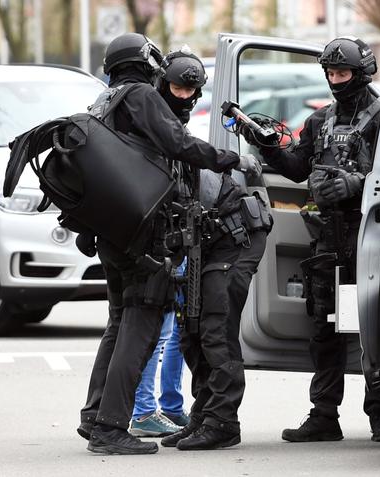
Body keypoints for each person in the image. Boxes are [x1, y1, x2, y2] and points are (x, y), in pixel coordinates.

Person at [77, 33, 259, 455]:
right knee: (140, 322)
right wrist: (231, 158)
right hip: (140, 235)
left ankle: (93, 417)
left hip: (112, 233)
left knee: (119, 322)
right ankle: (109, 428)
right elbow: (177, 143)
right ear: (145, 62)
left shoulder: (105, 102)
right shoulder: (139, 95)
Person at [240, 36, 380, 443]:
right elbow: (295, 167)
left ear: (361, 74)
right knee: (325, 327)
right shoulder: (320, 121)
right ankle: (324, 414)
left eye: (342, 73)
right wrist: (265, 143)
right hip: (327, 237)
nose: (335, 80)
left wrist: (357, 186)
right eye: (330, 73)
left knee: (376, 323)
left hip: (373, 236)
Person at [154, 47, 271, 451]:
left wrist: (234, 159)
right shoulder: (156, 128)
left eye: (191, 89)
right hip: (204, 242)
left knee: (216, 330)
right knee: (191, 333)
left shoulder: (176, 135)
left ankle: (223, 422)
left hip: (234, 236)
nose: (184, 96)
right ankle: (203, 414)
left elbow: (198, 162)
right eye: (177, 87)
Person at [129, 261, 189, 437]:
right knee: (159, 334)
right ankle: (144, 412)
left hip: (173, 253)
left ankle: (170, 408)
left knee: (175, 329)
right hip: (167, 254)